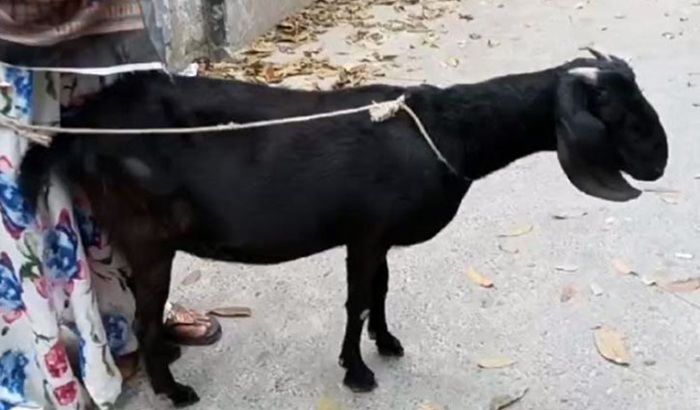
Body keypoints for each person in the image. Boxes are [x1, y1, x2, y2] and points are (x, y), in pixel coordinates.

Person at [0, 2, 222, 408]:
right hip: (14, 45)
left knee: (117, 182)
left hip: (100, 30)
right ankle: (36, 360)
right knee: (24, 203)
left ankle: (128, 321)